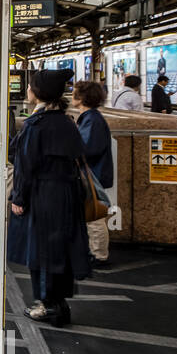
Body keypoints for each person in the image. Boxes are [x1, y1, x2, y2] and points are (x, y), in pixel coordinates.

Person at [7, 68, 90, 326]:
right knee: (59, 252)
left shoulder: (36, 125)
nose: (28, 90)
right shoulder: (66, 122)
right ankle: (59, 303)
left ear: (38, 92)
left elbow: (25, 166)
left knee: (41, 252)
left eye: (31, 87)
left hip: (43, 197)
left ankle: (47, 305)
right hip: (67, 195)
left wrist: (19, 198)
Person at [74, 80, 113, 267]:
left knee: (95, 216)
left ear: (82, 97)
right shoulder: (91, 118)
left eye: (75, 92)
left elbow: (87, 148)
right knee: (92, 216)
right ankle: (94, 252)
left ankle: (99, 256)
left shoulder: (92, 119)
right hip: (93, 173)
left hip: (92, 175)